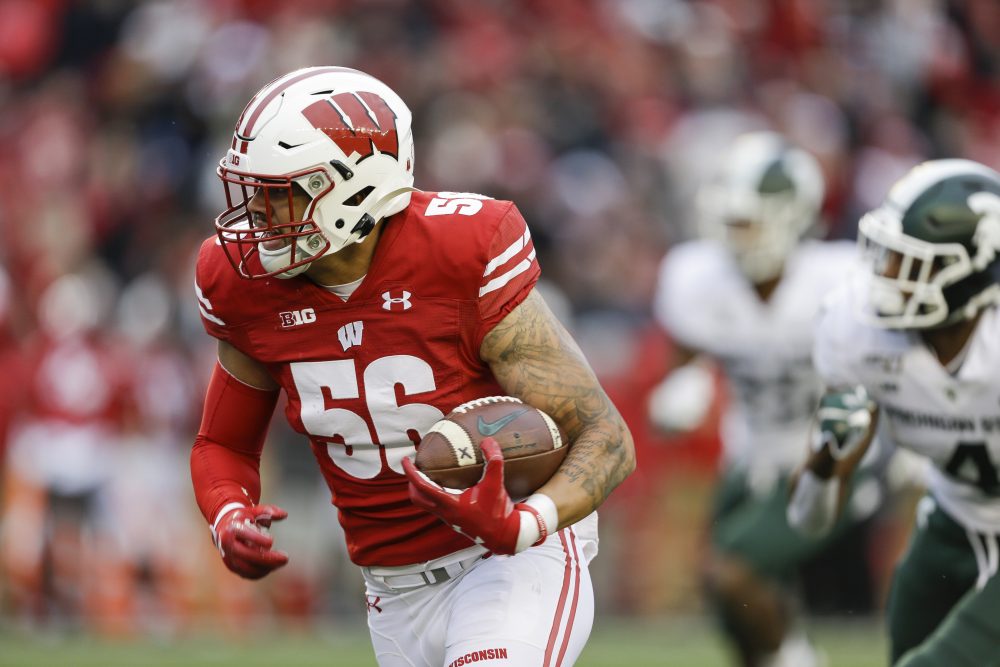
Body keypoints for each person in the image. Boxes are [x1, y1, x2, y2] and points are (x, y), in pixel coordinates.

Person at [189, 66, 635, 666]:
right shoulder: (242, 283)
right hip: (390, 592)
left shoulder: (460, 251)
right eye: (255, 191)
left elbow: (605, 437)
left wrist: (524, 524)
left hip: (511, 559)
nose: (260, 215)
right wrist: (227, 512)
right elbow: (222, 444)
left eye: (281, 192)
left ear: (356, 188)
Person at [649, 131, 865, 667]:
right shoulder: (696, 275)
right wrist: (682, 393)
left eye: (747, 222)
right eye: (729, 222)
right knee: (732, 604)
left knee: (732, 571)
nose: (735, 237)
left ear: (792, 216)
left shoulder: (839, 279)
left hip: (833, 454)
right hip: (750, 454)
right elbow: (685, 367)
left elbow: (872, 377)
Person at [787, 158, 1000, 666]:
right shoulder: (855, 332)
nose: (887, 278)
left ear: (975, 271)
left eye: (913, 265)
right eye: (888, 257)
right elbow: (807, 521)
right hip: (956, 514)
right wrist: (827, 461)